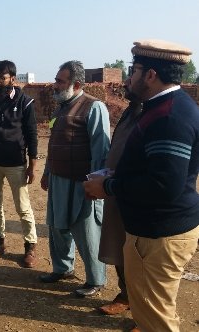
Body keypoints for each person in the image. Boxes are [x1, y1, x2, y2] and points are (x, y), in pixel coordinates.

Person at [84, 39, 199, 332]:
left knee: (157, 319)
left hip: (161, 235)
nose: (128, 77)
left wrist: (108, 186)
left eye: (133, 70)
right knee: (148, 313)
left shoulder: (170, 116)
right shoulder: (159, 107)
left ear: (150, 75)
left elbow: (165, 186)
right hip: (151, 231)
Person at [39, 60, 110, 297]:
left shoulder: (94, 107)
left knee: (87, 230)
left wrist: (95, 184)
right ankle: (62, 268)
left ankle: (96, 279)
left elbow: (101, 151)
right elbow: (53, 145)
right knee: (58, 227)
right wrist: (47, 173)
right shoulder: (60, 108)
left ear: (76, 83)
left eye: (60, 81)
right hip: (59, 180)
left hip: (83, 183)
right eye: (56, 79)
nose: (55, 85)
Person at [0, 60, 38, 268]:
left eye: (1, 77)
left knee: (23, 207)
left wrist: (32, 165)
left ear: (12, 78)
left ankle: (30, 246)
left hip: (15, 164)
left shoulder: (25, 102)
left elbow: (32, 135)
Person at [97, 78, 142, 315]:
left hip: (137, 195)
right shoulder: (130, 112)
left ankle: (142, 312)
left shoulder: (154, 114)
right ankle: (125, 295)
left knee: (139, 256)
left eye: (133, 73)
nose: (125, 82)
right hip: (116, 190)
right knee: (119, 246)